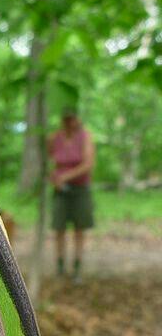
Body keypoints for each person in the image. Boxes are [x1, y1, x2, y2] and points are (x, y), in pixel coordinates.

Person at [48, 107, 95, 282]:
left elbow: (88, 163)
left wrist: (66, 176)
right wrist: (53, 177)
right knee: (59, 227)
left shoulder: (85, 136)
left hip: (80, 189)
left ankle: (77, 266)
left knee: (79, 228)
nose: (70, 122)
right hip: (60, 190)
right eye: (67, 119)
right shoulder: (55, 137)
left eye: (72, 119)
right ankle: (60, 265)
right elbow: (49, 160)